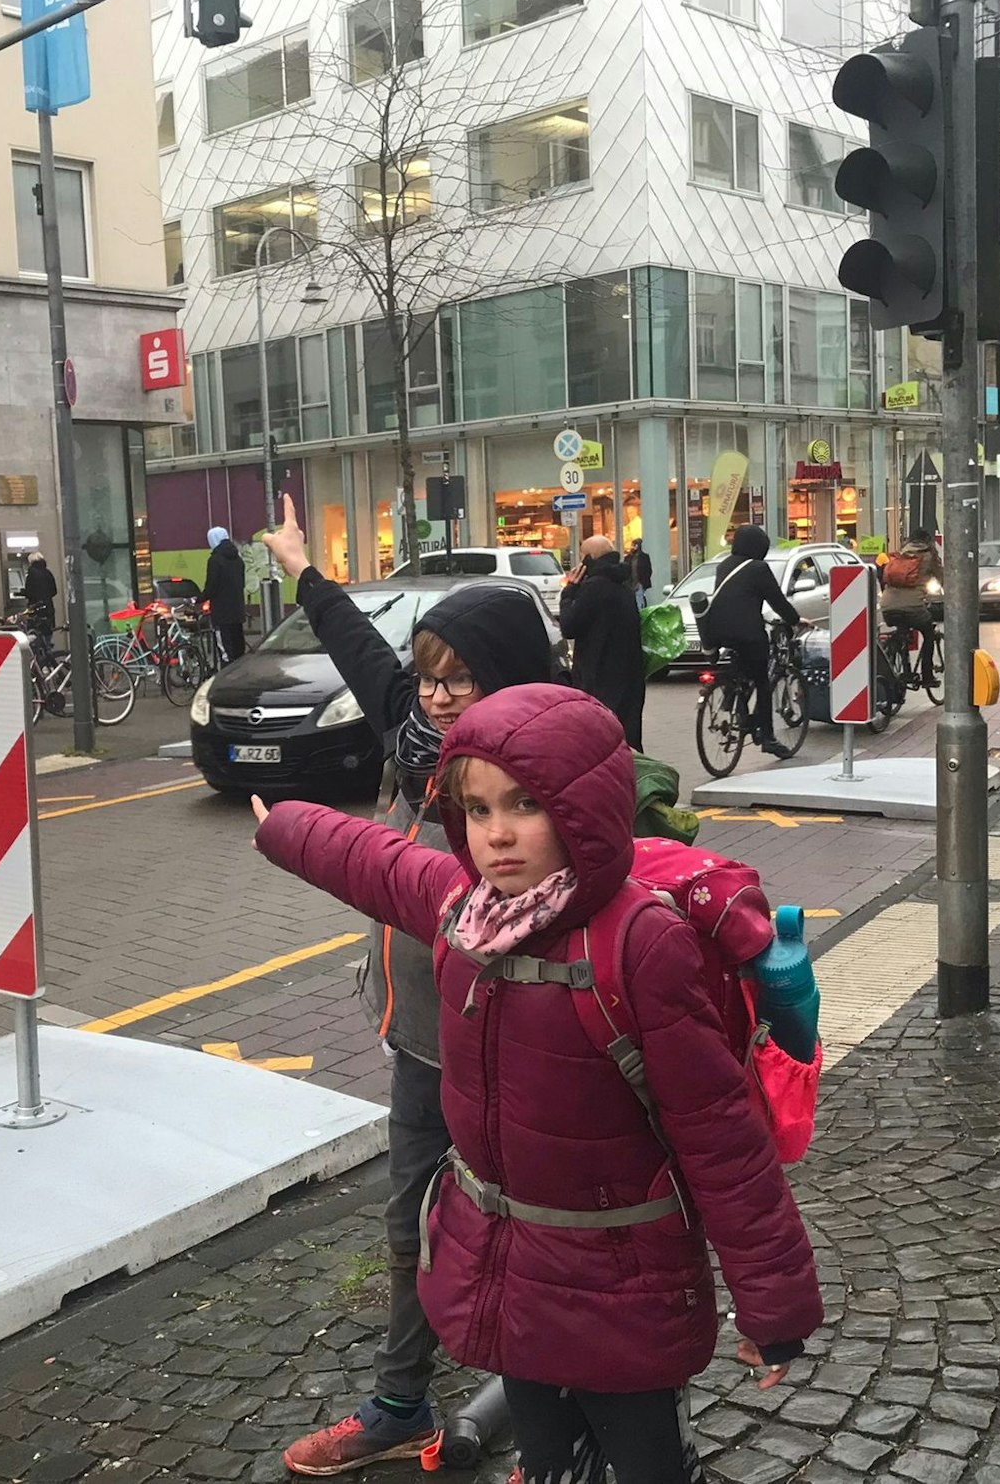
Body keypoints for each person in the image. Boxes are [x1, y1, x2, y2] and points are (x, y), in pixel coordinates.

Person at [251, 685, 822, 1481]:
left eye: (525, 804)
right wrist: (281, 825)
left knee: (644, 1462)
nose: (497, 834)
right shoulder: (467, 911)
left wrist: (774, 1307)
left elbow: (720, 1138)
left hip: (623, 1282)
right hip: (508, 1268)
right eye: (477, 810)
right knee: (545, 1460)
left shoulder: (640, 943)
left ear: (584, 808)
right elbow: (377, 864)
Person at [257, 495, 559, 1476]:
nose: (433, 695)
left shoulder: (539, 784)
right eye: (430, 673)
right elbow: (358, 647)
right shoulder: (411, 733)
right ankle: (398, 1407)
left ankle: (562, 1423)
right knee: (410, 1225)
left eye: (458, 679)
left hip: (518, 1053)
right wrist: (301, 569)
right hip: (421, 1040)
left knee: (537, 1235)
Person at [698, 524, 801, 760]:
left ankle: (735, 702)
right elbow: (777, 600)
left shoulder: (725, 565)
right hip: (747, 634)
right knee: (762, 682)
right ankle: (767, 738)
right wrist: (794, 619)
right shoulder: (759, 568)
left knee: (741, 671)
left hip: (718, 632)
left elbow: (733, 599)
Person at [559, 535, 646, 750]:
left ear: (590, 558)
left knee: (600, 741)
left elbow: (569, 627)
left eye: (581, 557)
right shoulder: (624, 586)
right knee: (629, 738)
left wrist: (569, 592)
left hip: (598, 677)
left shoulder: (593, 588)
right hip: (629, 676)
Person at [880, 524, 945, 690]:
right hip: (913, 607)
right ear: (927, 541)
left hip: (887, 606)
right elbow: (943, 577)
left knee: (902, 631)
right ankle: (927, 677)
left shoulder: (900, 553)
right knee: (929, 634)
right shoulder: (929, 555)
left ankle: (902, 668)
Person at [203, 526, 247, 662]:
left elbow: (211, 587)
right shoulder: (238, 559)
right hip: (237, 611)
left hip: (221, 613)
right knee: (238, 647)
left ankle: (226, 678)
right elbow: (242, 584)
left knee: (226, 651)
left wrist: (199, 598)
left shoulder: (215, 560)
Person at [21, 552, 58, 645]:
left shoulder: (31, 574)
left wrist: (22, 592)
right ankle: (49, 655)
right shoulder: (48, 573)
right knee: (47, 636)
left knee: (34, 637)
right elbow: (54, 591)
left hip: (35, 609)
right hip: (48, 609)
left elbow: (29, 592)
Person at [623, 538, 652, 609]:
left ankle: (639, 612)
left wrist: (643, 581)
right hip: (630, 583)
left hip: (639, 582)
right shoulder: (628, 557)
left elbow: (648, 570)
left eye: (635, 545)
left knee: (639, 599)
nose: (633, 547)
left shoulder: (644, 557)